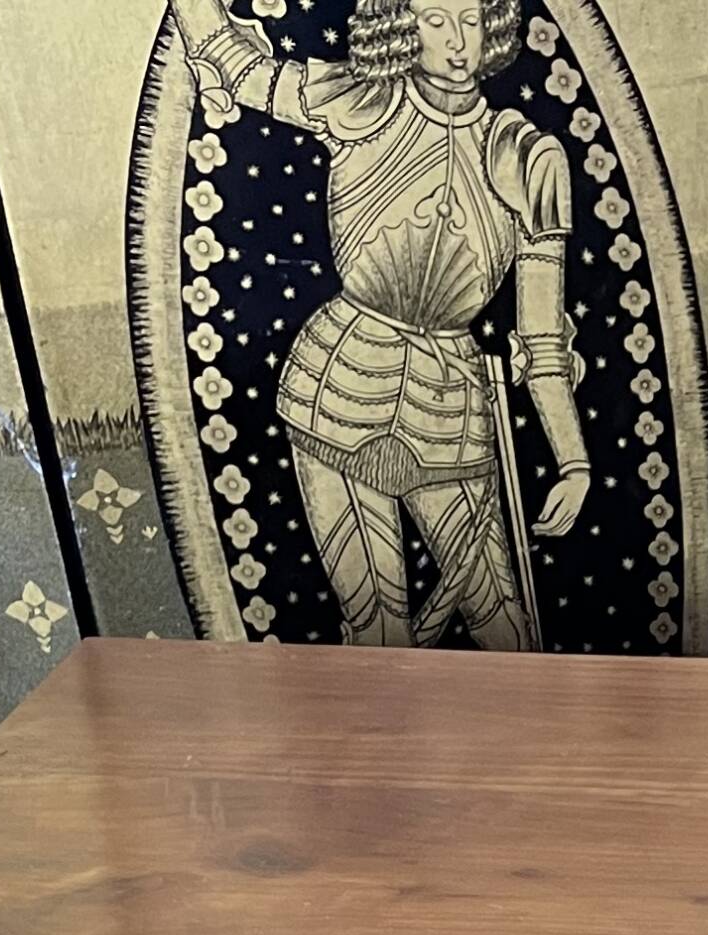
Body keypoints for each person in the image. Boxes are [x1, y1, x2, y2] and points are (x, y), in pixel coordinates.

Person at [167, 0, 592, 646]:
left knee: (506, 626)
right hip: (334, 389)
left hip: (451, 406)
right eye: (435, 21)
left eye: (470, 21)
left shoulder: (527, 157)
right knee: (376, 632)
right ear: (401, 26)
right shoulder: (360, 102)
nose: (458, 43)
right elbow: (242, 71)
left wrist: (574, 460)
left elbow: (540, 337)